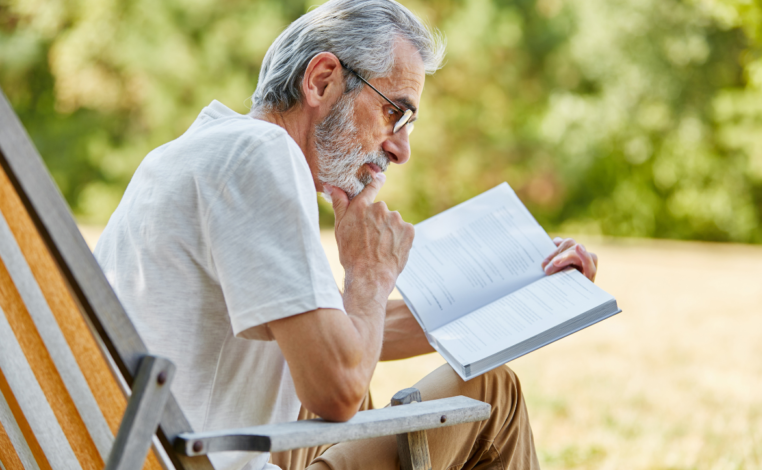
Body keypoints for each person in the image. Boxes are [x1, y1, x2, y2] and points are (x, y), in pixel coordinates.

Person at [94, 0, 598, 469]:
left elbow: (331, 329)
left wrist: (524, 287)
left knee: (364, 358)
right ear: (321, 81)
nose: (401, 150)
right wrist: (370, 272)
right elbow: (336, 389)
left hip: (162, 446)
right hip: (200, 456)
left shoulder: (200, 151)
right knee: (491, 392)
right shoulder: (261, 157)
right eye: (394, 112)